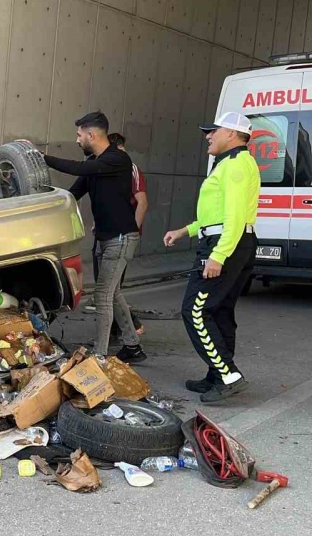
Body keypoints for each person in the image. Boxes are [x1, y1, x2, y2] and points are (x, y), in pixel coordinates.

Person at [163, 112, 258, 403]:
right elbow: (214, 216)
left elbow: (234, 217)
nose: (208, 136)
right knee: (218, 311)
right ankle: (216, 376)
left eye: (213, 131)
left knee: (195, 311)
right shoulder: (230, 164)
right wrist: (185, 231)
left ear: (231, 133)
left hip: (226, 245)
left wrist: (218, 256)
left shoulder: (237, 165)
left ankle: (228, 375)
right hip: (228, 242)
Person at [41, 111, 146, 362]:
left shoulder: (117, 159)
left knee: (102, 295)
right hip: (105, 239)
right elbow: (72, 194)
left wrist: (41, 158)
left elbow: (79, 167)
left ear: (92, 134)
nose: (77, 140)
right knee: (113, 293)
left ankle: (99, 354)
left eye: (79, 135)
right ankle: (132, 346)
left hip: (121, 239)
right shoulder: (94, 166)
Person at [91, 132, 146, 336]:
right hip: (105, 235)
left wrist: (132, 230)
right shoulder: (102, 167)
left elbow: (142, 201)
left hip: (120, 237)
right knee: (109, 289)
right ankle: (129, 337)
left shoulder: (130, 169)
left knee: (108, 290)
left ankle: (110, 342)